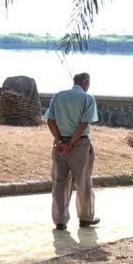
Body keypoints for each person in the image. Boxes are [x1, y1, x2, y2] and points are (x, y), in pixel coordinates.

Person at [43, 72, 99, 231]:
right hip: (79, 145)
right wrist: (71, 143)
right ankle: (86, 218)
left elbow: (50, 121)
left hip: (59, 145)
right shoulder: (88, 99)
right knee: (83, 182)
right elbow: (84, 125)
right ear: (86, 83)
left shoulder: (58, 96)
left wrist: (61, 142)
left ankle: (60, 221)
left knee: (59, 183)